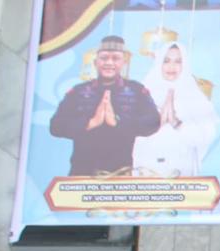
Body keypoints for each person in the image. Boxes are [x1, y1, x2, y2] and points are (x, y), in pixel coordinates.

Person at [49, 35, 160, 176]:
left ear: (123, 62)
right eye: (104, 58)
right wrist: (90, 123)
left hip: (121, 173)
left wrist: (117, 122)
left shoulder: (137, 90)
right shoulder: (77, 91)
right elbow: (56, 126)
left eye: (115, 58)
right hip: (81, 174)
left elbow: (153, 122)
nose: (109, 62)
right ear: (96, 62)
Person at [132, 41, 218, 177]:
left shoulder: (196, 98)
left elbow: (204, 138)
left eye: (178, 61)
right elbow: (131, 134)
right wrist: (155, 123)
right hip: (146, 169)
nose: (171, 66)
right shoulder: (142, 94)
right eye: (166, 61)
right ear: (159, 63)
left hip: (181, 170)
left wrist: (176, 123)